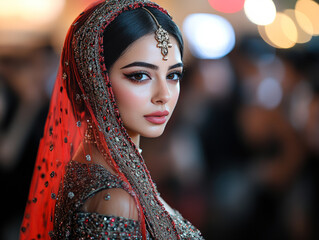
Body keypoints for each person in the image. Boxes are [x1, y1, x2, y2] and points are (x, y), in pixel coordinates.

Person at [20, 0, 204, 239]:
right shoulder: (115, 201)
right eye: (139, 76)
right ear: (94, 79)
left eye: (173, 75)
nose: (164, 95)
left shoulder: (99, 172)